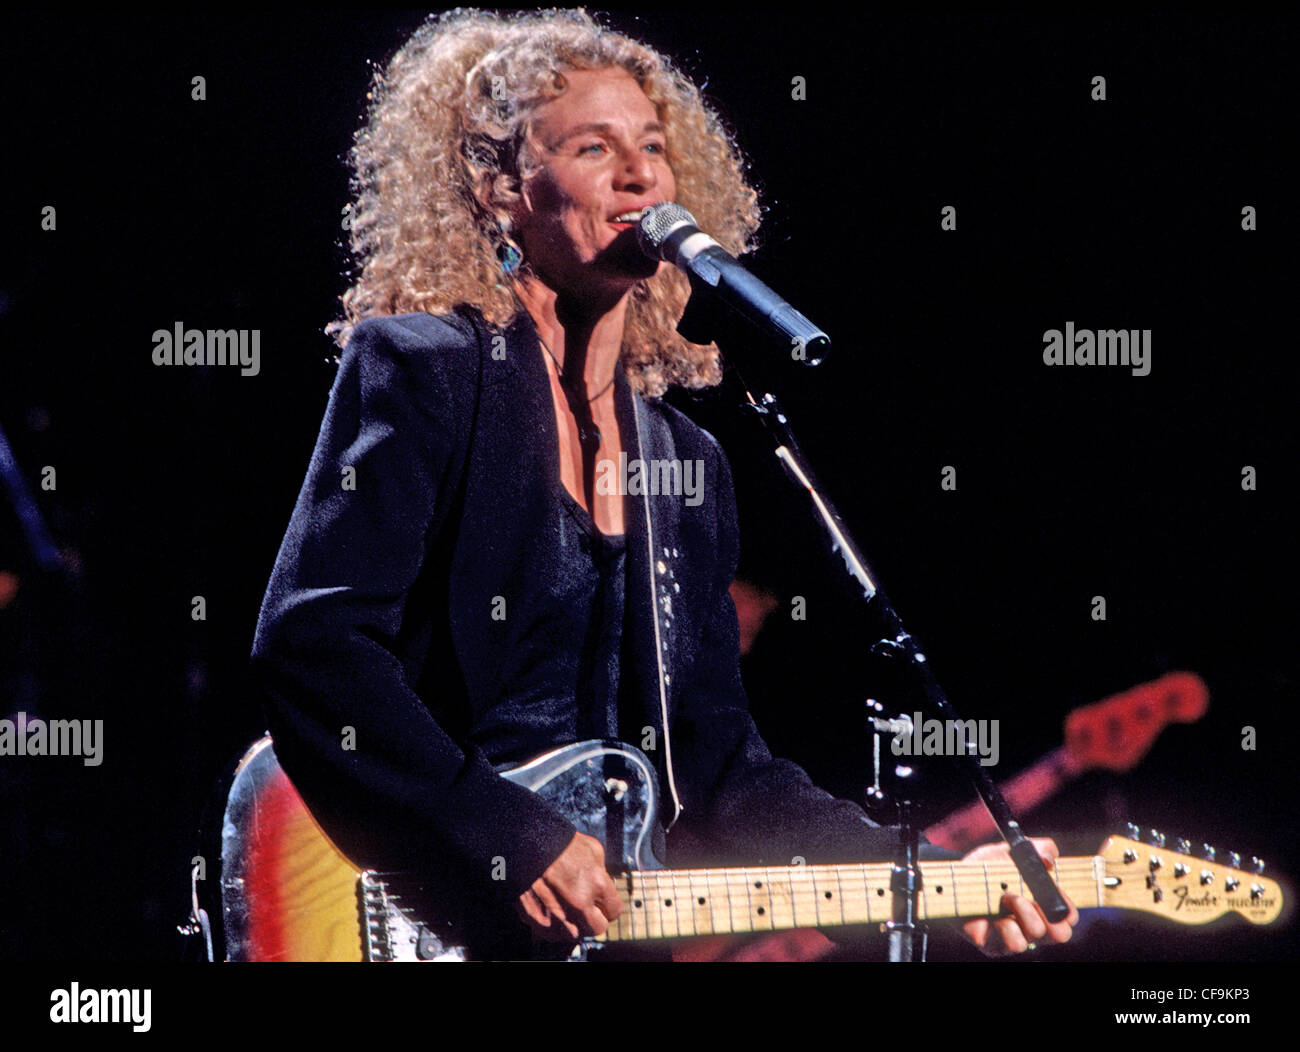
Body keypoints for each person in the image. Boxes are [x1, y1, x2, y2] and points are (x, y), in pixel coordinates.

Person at [250, 8, 1076, 959]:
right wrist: (502, 837)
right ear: (498, 187)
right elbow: (314, 647)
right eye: (595, 147)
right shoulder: (426, 371)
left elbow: (722, 773)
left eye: (652, 147)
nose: (639, 173)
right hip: (421, 903)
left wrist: (930, 872)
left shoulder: (688, 465)